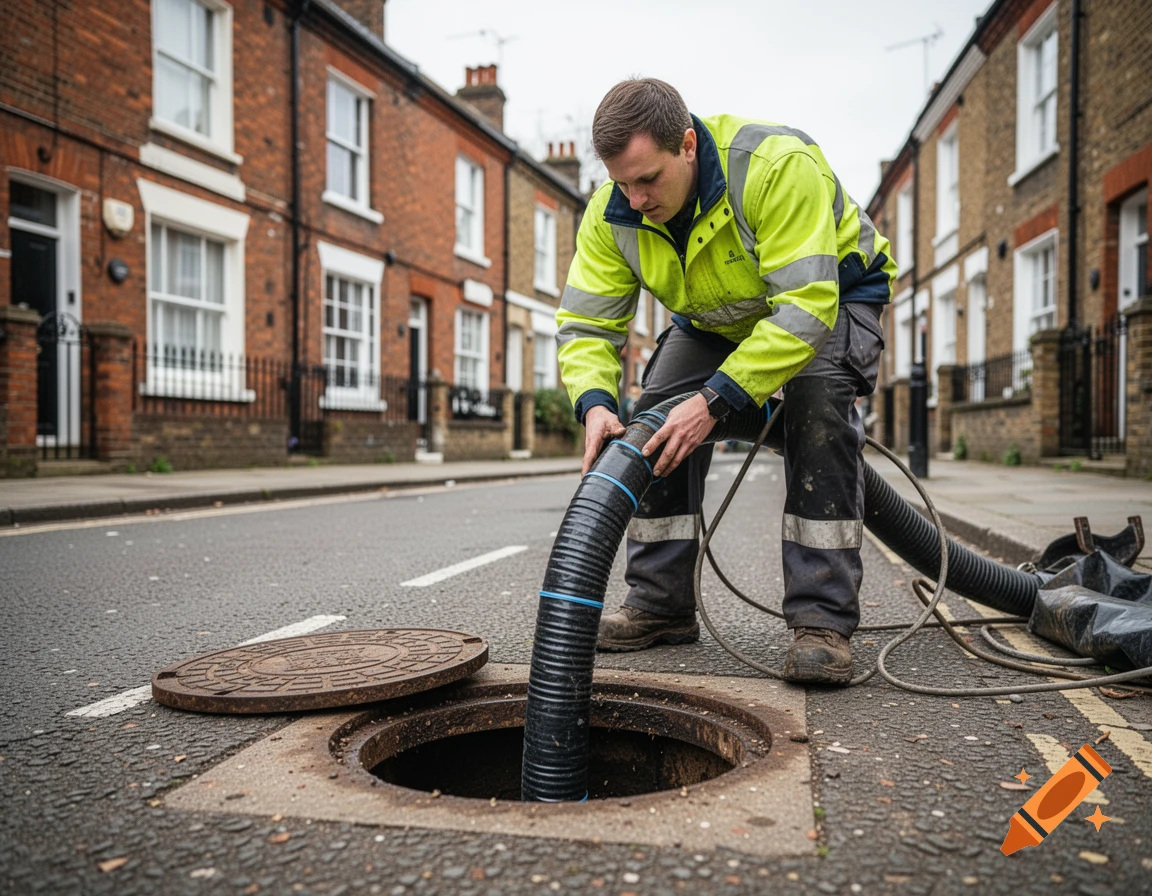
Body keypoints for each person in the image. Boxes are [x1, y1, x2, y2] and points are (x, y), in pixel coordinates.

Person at [555, 79, 896, 685]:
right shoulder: (613, 212)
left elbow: (805, 308)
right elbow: (585, 323)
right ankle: (660, 604)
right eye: (621, 182)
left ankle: (822, 622)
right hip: (717, 317)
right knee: (653, 416)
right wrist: (595, 404)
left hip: (831, 298)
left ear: (688, 145)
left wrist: (715, 400)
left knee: (815, 409)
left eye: (648, 179)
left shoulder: (775, 167)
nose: (634, 199)